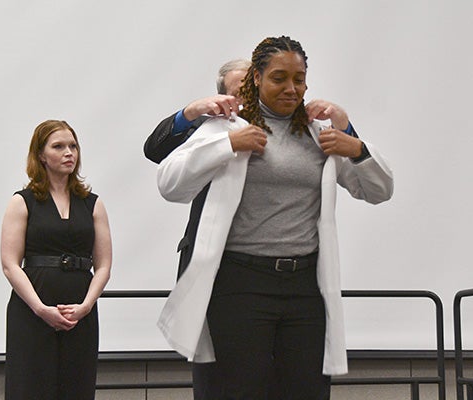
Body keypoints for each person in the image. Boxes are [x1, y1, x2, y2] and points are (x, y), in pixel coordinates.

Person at [155, 36, 394, 399]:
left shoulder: (319, 134)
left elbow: (378, 191)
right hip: (240, 283)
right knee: (237, 388)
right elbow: (170, 184)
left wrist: (357, 148)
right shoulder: (226, 127)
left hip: (305, 286)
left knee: (307, 388)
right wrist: (227, 146)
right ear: (256, 79)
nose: (291, 88)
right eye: (279, 78)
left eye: (299, 79)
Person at [0, 120, 112, 400]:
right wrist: (40, 309)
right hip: (33, 310)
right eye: (59, 146)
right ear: (41, 155)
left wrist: (86, 306)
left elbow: (104, 265)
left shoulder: (92, 203)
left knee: (77, 385)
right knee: (31, 386)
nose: (69, 152)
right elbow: (10, 264)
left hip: (79, 311)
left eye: (73, 146)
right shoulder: (22, 201)